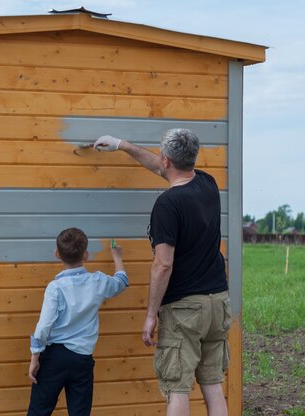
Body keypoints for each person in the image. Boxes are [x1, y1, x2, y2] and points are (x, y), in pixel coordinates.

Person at [93, 130, 231, 416]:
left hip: (185, 310)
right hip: (218, 301)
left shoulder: (168, 205)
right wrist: (122, 145)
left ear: (167, 159)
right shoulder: (207, 183)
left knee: (177, 387)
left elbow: (163, 265)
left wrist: (150, 314)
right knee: (213, 386)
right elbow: (161, 167)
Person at [27, 227, 128, 416]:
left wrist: (35, 357)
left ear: (57, 254)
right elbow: (121, 282)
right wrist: (117, 256)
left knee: (39, 411)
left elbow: (43, 327)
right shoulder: (97, 281)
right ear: (86, 255)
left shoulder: (55, 288)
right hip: (82, 359)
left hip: (53, 358)